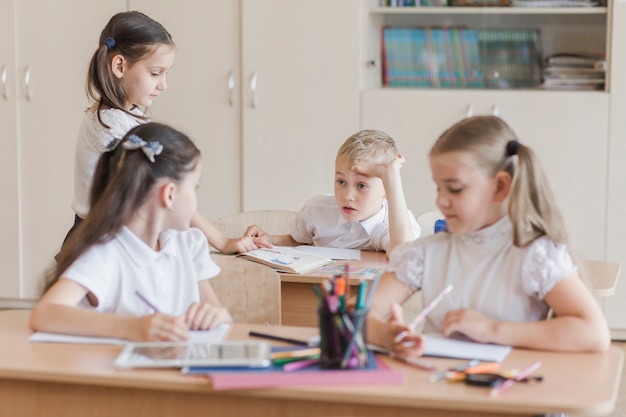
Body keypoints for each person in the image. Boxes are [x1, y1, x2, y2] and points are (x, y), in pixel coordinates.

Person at [367, 116, 611, 357]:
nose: (440, 200)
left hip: (510, 388)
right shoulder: (426, 253)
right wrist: (383, 334)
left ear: (500, 187)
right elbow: (363, 313)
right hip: (436, 389)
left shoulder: (534, 254)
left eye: (455, 188)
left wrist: (492, 329)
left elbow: (594, 333)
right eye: (438, 187)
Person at [67, 10, 262, 254]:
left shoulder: (126, 115)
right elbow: (167, 187)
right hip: (100, 244)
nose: (163, 85)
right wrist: (221, 242)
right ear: (119, 65)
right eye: (155, 73)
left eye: (166, 73)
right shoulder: (110, 125)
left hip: (118, 238)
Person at [30, 123, 232, 341]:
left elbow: (217, 313)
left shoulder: (188, 243)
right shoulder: (106, 253)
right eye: (195, 187)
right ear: (170, 194)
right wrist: (132, 327)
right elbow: (44, 314)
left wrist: (217, 315)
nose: (195, 198)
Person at [250, 130, 420, 253]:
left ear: (387, 189)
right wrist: (270, 239)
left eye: (362, 185)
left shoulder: (394, 224)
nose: (347, 196)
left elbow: (402, 257)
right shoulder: (316, 210)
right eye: (341, 182)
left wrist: (393, 178)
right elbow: (298, 241)